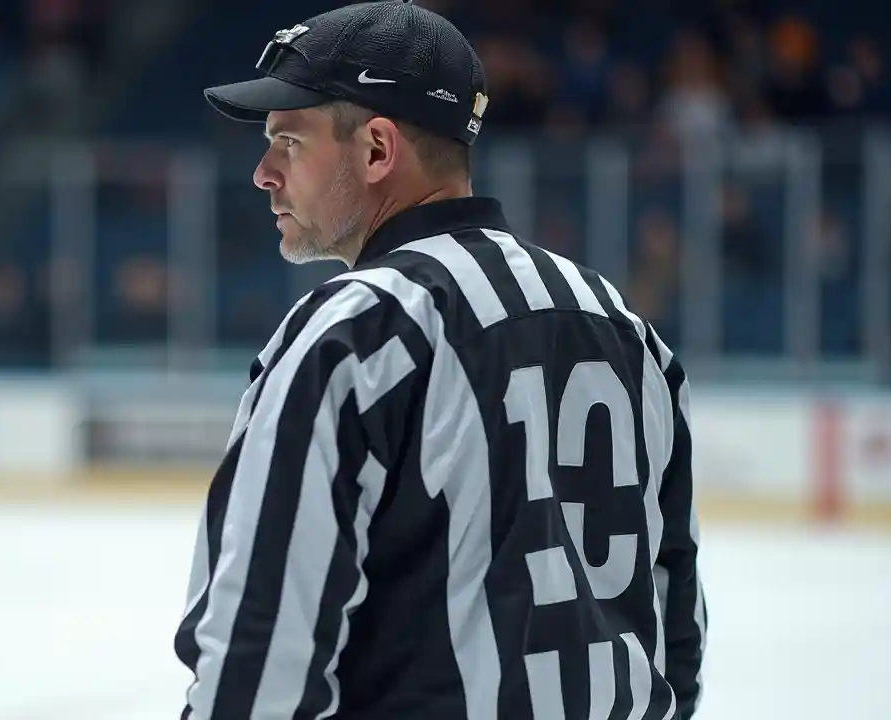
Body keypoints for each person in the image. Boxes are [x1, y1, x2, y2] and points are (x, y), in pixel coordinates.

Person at [174, 2, 707, 718]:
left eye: (289, 142)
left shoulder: (357, 332)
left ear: (377, 150)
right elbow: (675, 632)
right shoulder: (622, 326)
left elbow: (257, 664)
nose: (263, 173)